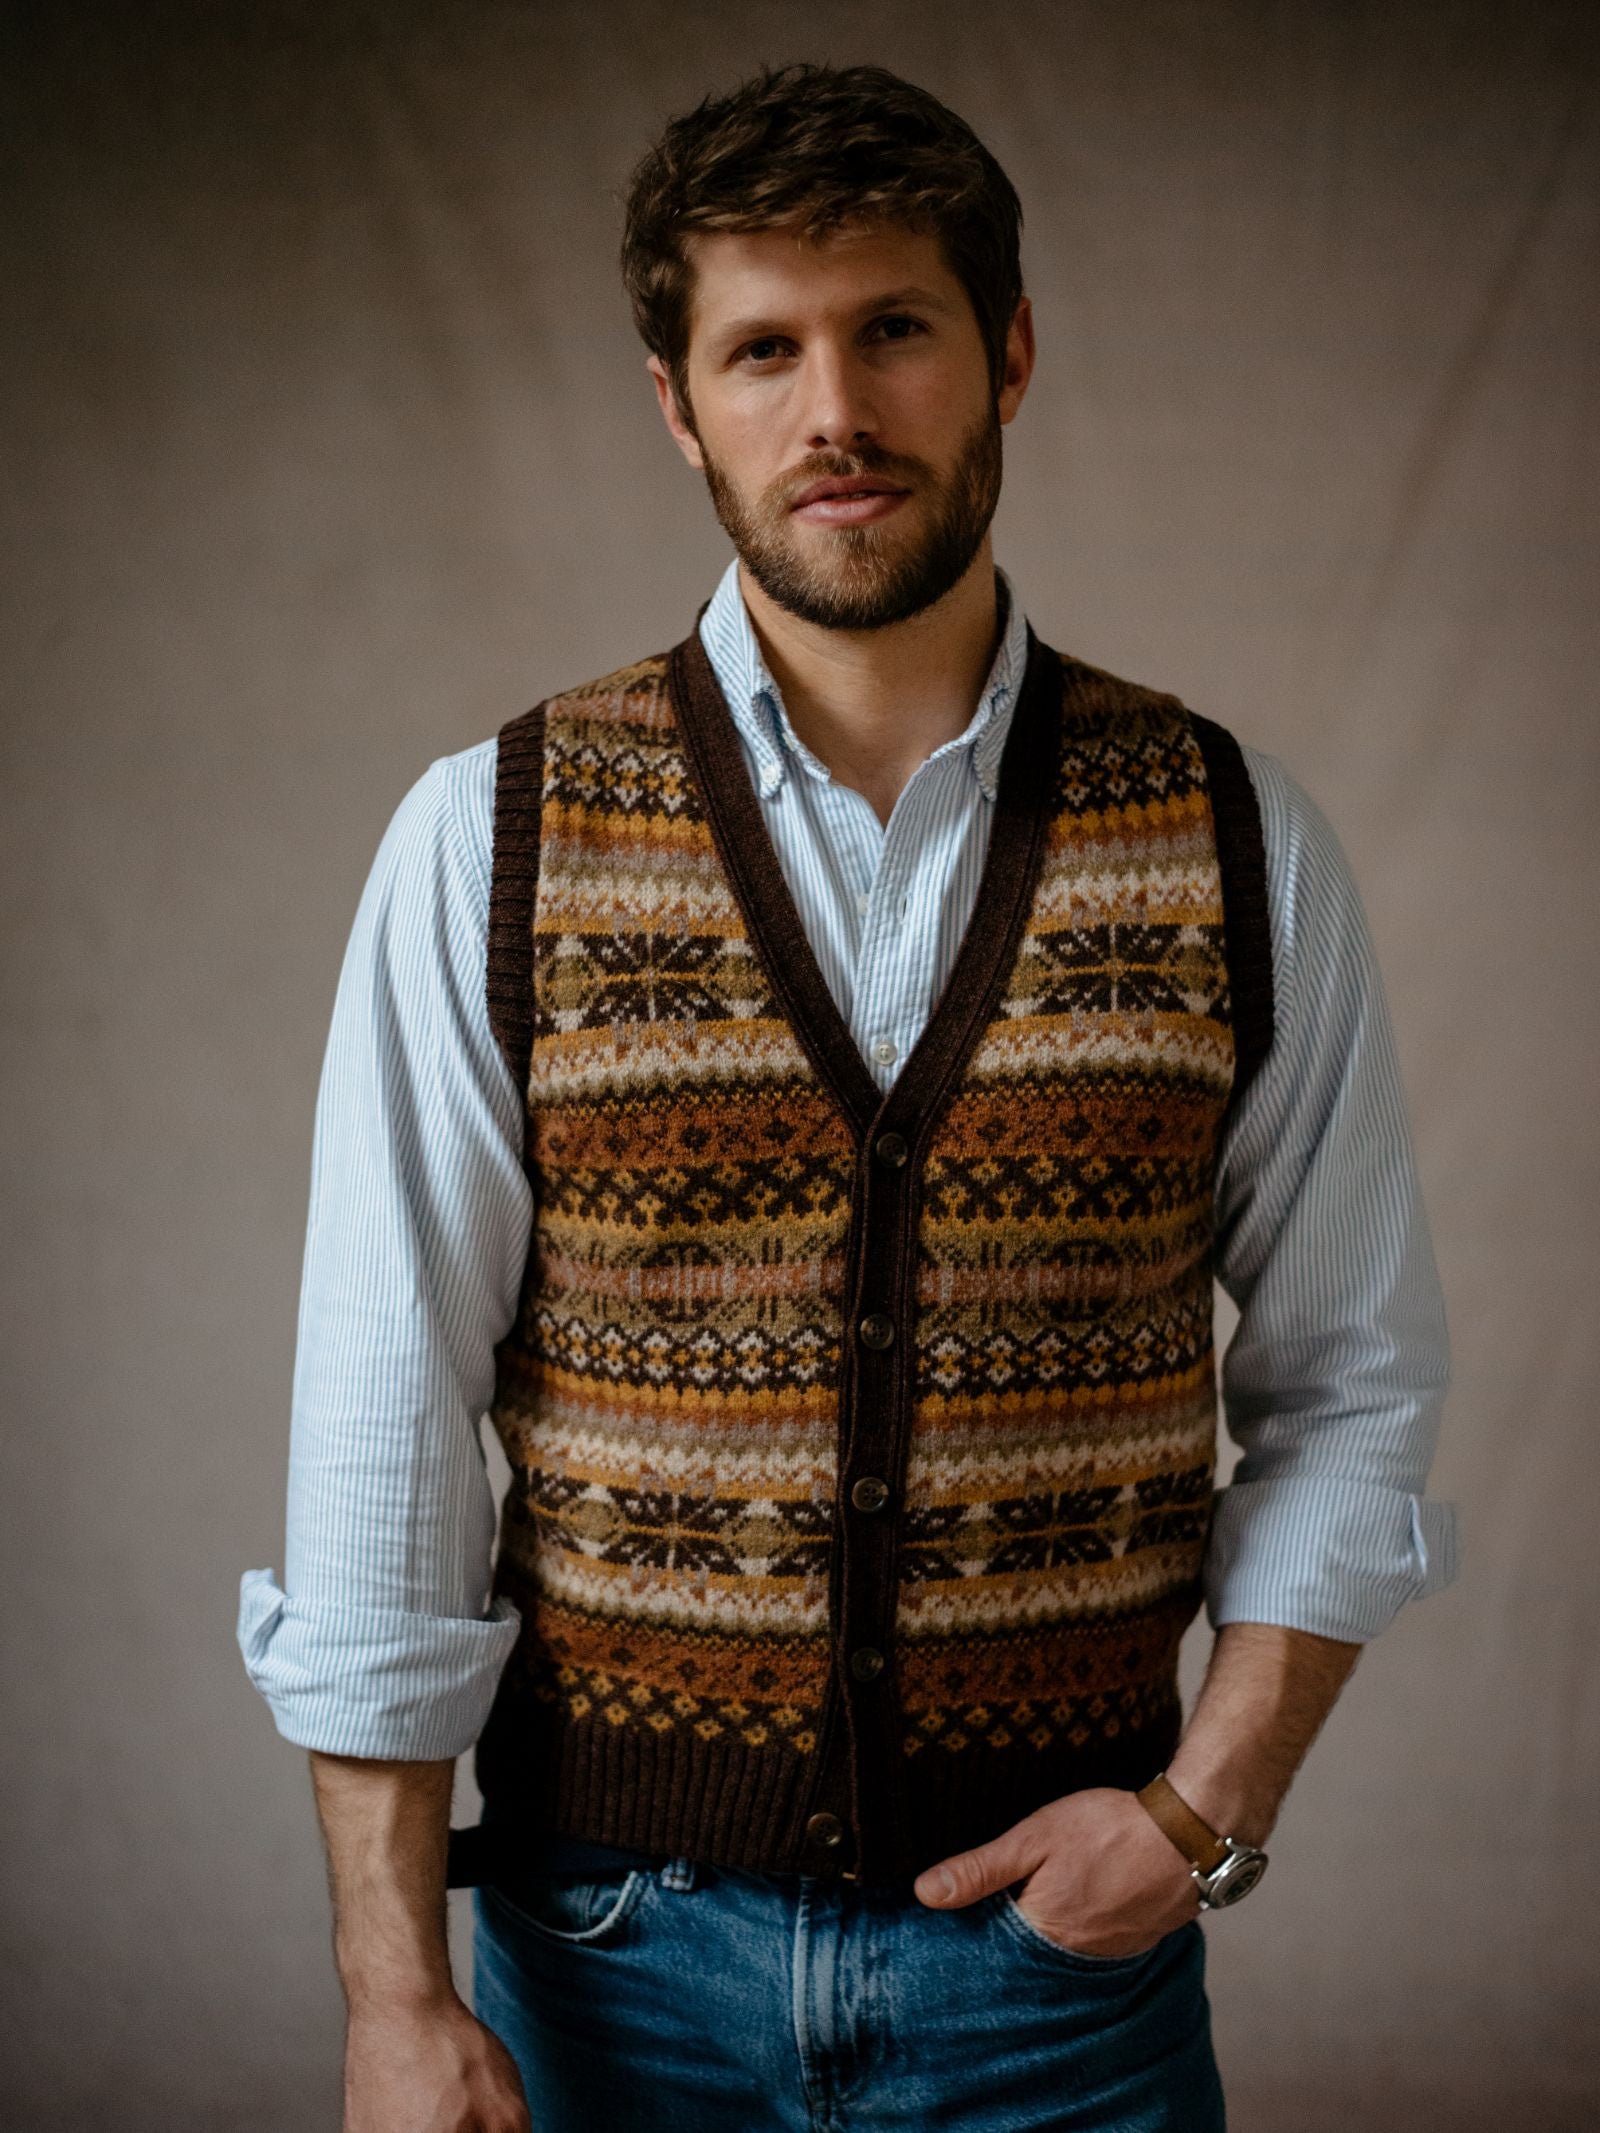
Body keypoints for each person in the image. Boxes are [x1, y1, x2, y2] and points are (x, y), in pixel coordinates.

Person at [237, 60, 1458, 2133]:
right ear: (673, 398)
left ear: (1005, 351)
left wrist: (1201, 1809)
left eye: (892, 327)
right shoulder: (491, 839)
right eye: (760, 349)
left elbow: (1354, 1377)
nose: (833, 413)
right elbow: (384, 1416)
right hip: (602, 1957)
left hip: (1057, 1979)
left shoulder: (1229, 837)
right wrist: (388, 1983)